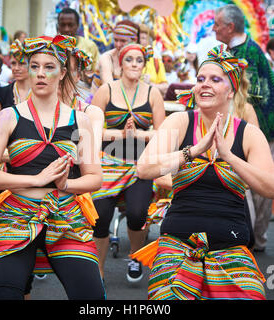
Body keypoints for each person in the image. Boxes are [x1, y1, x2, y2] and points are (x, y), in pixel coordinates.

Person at [134, 45, 274, 300]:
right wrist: (193, 151)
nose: (204, 85)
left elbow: (271, 188)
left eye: (215, 79)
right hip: (178, 243)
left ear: (231, 90)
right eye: (200, 79)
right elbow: (145, 168)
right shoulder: (180, 122)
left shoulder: (248, 133)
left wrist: (229, 157)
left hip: (231, 245)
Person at [0, 35, 105, 300]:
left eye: (49, 67)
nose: (40, 74)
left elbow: (94, 178)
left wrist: (65, 184)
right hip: (17, 217)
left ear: (63, 72)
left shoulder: (81, 119)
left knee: (92, 299)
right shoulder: (8, 116)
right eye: (34, 66)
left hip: (66, 216)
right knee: (6, 296)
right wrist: (36, 180)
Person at [213, 4, 274, 252]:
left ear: (230, 27)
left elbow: (249, 96)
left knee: (258, 182)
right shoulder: (236, 49)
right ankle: (251, 237)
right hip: (252, 126)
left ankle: (257, 239)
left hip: (263, 128)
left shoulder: (245, 53)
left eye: (217, 24)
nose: (213, 28)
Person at [90, 43, 165, 282]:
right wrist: (120, 135)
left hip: (141, 164)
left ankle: (134, 256)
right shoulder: (106, 91)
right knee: (99, 217)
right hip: (108, 162)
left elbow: (163, 133)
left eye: (139, 60)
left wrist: (139, 135)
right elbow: (90, 130)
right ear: (120, 64)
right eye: (129, 60)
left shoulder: (153, 93)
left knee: (137, 213)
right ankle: (98, 271)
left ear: (144, 65)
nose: (134, 64)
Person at [91, 20, 140, 94]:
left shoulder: (140, 57)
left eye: (123, 41)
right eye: (116, 40)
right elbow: (110, 90)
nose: (118, 44)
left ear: (134, 40)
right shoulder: (106, 58)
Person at [57, 7, 100, 90]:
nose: (66, 29)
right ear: (58, 26)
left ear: (77, 25)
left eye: (70, 25)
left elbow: (96, 75)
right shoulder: (51, 46)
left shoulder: (90, 46)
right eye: (63, 25)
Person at [139, 24, 169, 96]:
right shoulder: (127, 59)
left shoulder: (156, 61)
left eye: (143, 38)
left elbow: (165, 87)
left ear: (149, 41)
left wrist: (150, 84)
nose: (139, 41)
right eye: (138, 38)